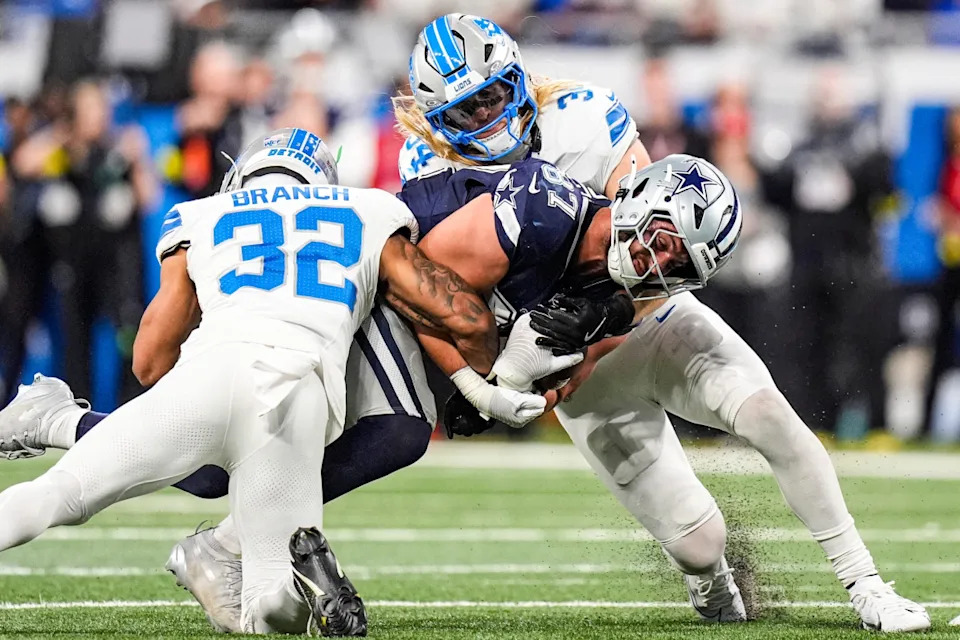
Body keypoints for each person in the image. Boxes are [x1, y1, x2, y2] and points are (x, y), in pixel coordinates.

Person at [392, 14, 928, 632]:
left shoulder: (586, 118)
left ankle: (866, 584)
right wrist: (486, 374)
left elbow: (660, 250)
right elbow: (440, 289)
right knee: (698, 543)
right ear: (433, 121)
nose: (484, 119)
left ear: (517, 76)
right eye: (463, 112)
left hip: (651, 316)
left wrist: (614, 311)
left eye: (490, 95)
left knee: (771, 418)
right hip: (566, 359)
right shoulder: (426, 167)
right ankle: (715, 585)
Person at [0, 127, 511, 636]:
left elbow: (149, 361)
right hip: (296, 395)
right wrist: (485, 383)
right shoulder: (368, 208)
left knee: (58, 494)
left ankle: (58, 419)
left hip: (211, 372)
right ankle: (301, 588)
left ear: (241, 174)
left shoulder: (203, 214)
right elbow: (468, 319)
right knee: (268, 607)